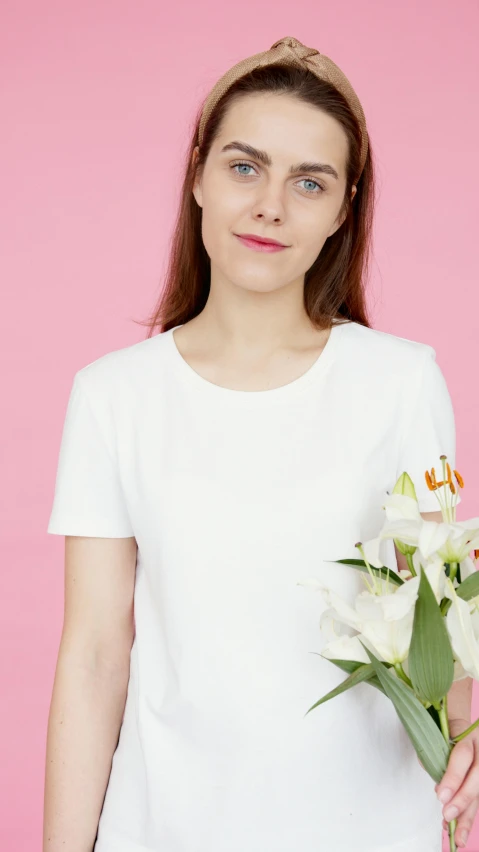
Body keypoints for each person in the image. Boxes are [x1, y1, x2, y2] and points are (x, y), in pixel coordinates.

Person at [43, 36, 462, 852]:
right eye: (244, 167)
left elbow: (440, 615)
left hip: (369, 829)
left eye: (309, 182)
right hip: (163, 828)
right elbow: (94, 654)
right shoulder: (112, 396)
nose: (271, 205)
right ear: (197, 173)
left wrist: (466, 733)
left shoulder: (401, 382)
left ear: (344, 208)